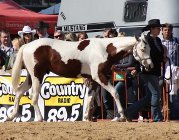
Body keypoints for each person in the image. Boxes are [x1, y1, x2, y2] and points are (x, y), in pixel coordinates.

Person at [125, 19, 165, 122]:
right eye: (158, 28)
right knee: (156, 93)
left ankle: (128, 112)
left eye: (159, 28)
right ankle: (157, 118)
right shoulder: (145, 40)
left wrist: (163, 57)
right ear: (151, 29)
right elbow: (140, 56)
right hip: (147, 71)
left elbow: (158, 55)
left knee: (149, 96)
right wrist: (138, 69)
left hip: (155, 70)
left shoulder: (158, 40)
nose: (159, 30)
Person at [111, 54, 141, 121]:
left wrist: (117, 66)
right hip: (122, 77)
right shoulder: (119, 53)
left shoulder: (130, 52)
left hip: (133, 76)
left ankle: (140, 115)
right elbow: (115, 62)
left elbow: (130, 63)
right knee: (116, 91)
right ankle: (118, 115)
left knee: (136, 94)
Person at [161, 23, 179, 119]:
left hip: (176, 72)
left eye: (169, 30)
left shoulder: (177, 41)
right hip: (162, 73)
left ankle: (175, 116)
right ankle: (164, 115)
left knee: (175, 95)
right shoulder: (159, 43)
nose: (167, 32)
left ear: (172, 31)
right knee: (163, 95)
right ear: (162, 31)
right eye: (165, 30)